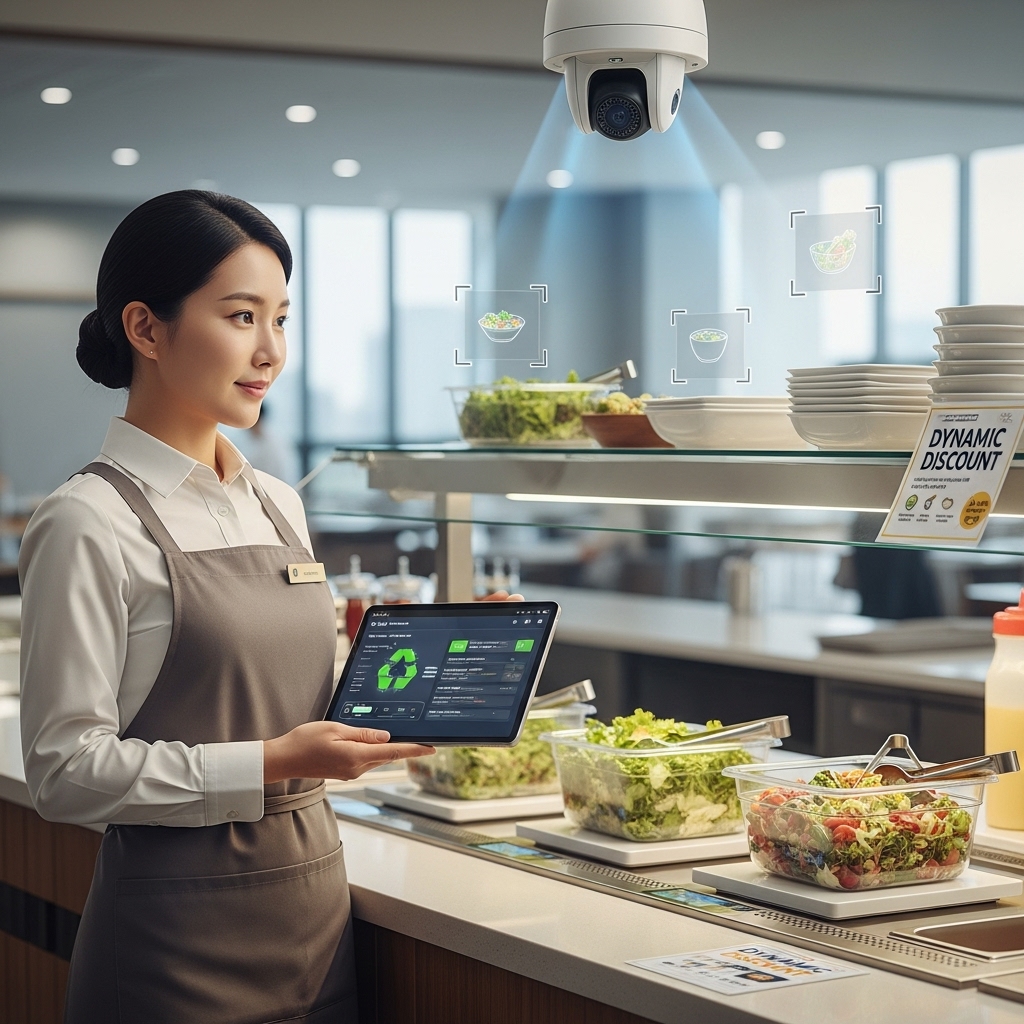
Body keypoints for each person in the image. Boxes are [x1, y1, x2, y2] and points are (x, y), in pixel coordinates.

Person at [18, 191, 457, 1022]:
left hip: (315, 919)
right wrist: (274, 762)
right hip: (170, 949)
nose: (270, 351)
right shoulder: (87, 519)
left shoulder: (278, 504)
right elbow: (66, 772)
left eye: (281, 319)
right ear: (146, 329)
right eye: (241, 316)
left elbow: (294, 707)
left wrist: (443, 669)